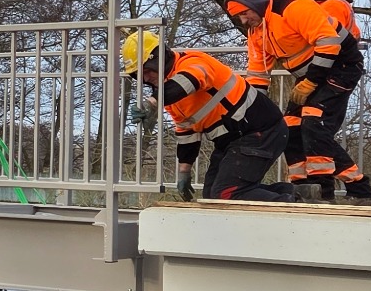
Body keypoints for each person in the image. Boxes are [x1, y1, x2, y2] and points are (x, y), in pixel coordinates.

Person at [120, 29, 293, 202]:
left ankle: (294, 205)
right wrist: (184, 172)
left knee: (225, 194)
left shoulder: (193, 62)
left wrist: (152, 102)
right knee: (212, 196)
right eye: (138, 75)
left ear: (159, 58)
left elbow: (189, 81)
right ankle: (298, 194)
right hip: (235, 139)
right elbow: (186, 131)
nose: (146, 78)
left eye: (147, 70)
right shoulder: (168, 93)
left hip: (260, 130)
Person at [224, 0, 349, 202]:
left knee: (313, 123)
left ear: (254, 3)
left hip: (341, 66)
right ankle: (302, 189)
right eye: (238, 17)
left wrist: (311, 82)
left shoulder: (293, 7)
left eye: (244, 13)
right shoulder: (256, 32)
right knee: (289, 127)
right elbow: (258, 74)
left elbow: (329, 42)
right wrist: (254, 112)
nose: (243, 20)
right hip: (310, 76)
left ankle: (334, 191)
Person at [297, 0, 371, 202]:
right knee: (309, 128)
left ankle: (353, 186)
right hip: (330, 71)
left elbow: (326, 43)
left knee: (314, 126)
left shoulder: (333, 5)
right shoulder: (331, 3)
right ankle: (324, 188)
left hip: (335, 71)